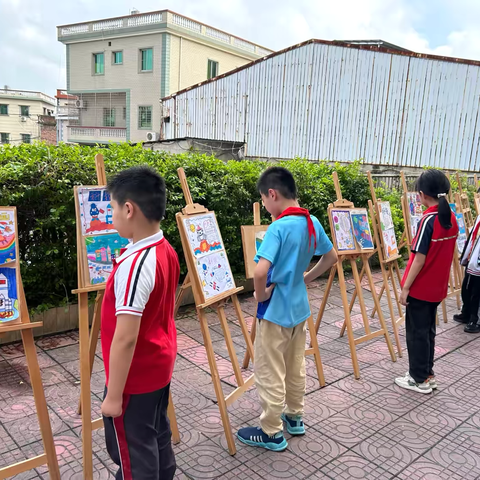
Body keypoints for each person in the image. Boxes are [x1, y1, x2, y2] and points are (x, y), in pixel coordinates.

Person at [237, 167, 338, 451]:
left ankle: (271, 431)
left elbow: (260, 272)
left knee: (269, 370)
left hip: (275, 310)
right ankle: (295, 416)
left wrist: (259, 295)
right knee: (295, 365)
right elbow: (331, 257)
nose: (265, 206)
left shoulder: (278, 228)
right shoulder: (311, 222)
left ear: (273, 194)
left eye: (264, 200)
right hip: (299, 308)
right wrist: (305, 278)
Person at [100, 166, 179, 480]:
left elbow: (125, 338)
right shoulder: (164, 249)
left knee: (134, 454)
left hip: (136, 377)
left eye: (114, 208)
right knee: (157, 434)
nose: (113, 216)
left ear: (129, 209)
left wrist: (114, 396)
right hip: (158, 366)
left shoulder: (135, 264)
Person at [396, 170, 458, 394]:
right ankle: (427, 373)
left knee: (416, 333)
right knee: (427, 331)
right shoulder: (450, 217)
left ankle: (418, 378)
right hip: (437, 288)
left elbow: (418, 259)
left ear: (422, 194)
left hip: (421, 289)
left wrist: (405, 288)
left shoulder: (428, 220)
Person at [454, 204, 480, 333]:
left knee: (477, 293)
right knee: (467, 288)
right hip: (473, 260)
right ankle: (467, 312)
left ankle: (475, 319)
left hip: (478, 263)